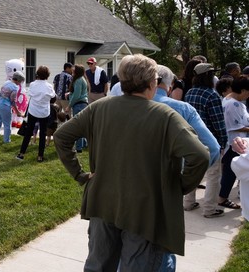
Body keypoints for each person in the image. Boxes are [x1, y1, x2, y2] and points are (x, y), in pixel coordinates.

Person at [54, 54, 209, 271]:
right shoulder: (165, 116)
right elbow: (200, 155)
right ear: (152, 82)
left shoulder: (99, 107)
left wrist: (80, 175)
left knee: (98, 266)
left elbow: (62, 137)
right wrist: (180, 186)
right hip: (145, 211)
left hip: (102, 202)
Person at [184, 63, 228, 218]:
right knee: (213, 175)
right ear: (208, 76)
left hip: (192, 139)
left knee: (193, 171)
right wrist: (223, 141)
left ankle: (188, 203)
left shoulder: (190, 92)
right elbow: (218, 122)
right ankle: (209, 209)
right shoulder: (212, 95)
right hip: (210, 141)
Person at [154, 65, 220, 167]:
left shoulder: (190, 93)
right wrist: (188, 178)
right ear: (170, 86)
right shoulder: (183, 108)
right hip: (172, 175)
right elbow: (212, 148)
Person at [219, 76, 249, 209]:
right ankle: (222, 198)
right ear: (242, 90)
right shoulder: (233, 104)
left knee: (230, 172)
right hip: (233, 143)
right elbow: (233, 127)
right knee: (230, 173)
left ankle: (222, 196)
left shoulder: (232, 100)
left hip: (235, 142)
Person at [16, 65, 56, 162]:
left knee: (28, 132)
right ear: (47, 75)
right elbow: (53, 97)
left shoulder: (33, 84)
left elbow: (30, 94)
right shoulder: (49, 86)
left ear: (37, 74)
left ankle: (21, 154)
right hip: (44, 113)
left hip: (33, 111)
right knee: (43, 134)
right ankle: (40, 156)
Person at [0, 71, 25, 143]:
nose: (20, 84)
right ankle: (7, 140)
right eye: (20, 82)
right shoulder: (15, 88)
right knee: (7, 124)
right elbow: (13, 101)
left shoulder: (6, 82)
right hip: (4, 105)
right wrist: (17, 112)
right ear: (17, 80)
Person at [66, 64, 88, 153]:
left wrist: (69, 106)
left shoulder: (78, 80)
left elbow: (77, 95)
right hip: (82, 104)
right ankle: (82, 144)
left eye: (74, 70)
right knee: (81, 126)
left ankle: (78, 148)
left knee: (77, 127)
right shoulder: (81, 79)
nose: (72, 71)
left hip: (79, 105)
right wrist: (69, 94)